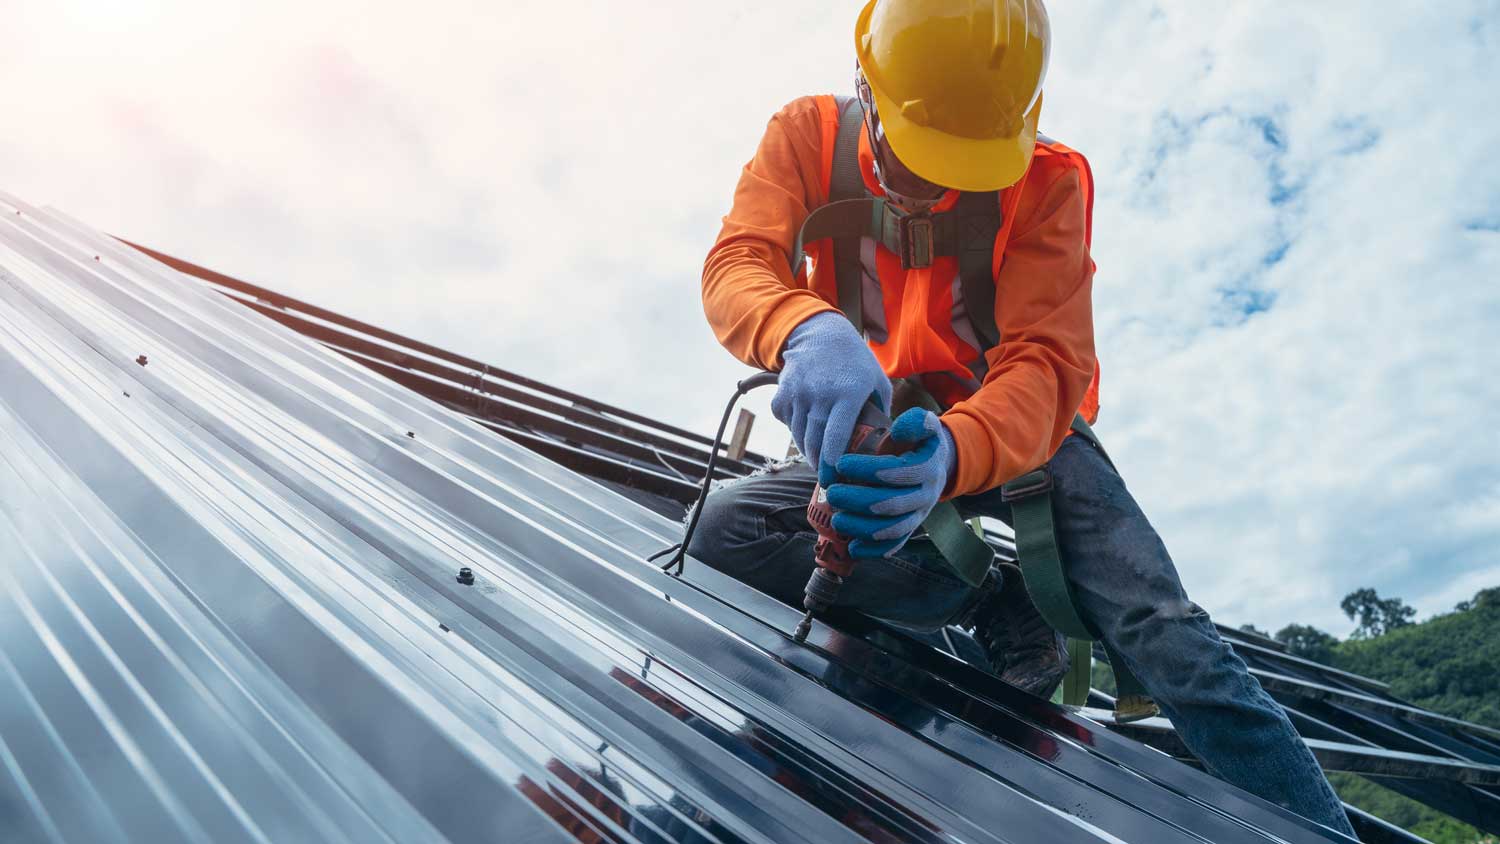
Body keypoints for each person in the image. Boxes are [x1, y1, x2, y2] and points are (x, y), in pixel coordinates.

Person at [688, 0, 1357, 837]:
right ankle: (990, 599)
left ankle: (1323, 830)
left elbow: (1046, 365)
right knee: (724, 533)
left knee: (1165, 632)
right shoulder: (807, 137)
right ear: (869, 83)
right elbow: (738, 261)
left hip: (1020, 435)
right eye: (919, 159)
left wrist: (956, 452)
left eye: (962, 168)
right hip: (877, 430)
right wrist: (803, 326)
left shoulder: (1048, 181)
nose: (936, 187)